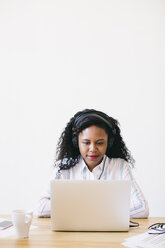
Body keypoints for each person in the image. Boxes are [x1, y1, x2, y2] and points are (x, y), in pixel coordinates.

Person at [36, 109, 149, 218]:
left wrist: (82, 210)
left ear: (109, 143)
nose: (93, 149)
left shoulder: (120, 167)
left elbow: (142, 208)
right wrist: (103, 210)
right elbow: (40, 208)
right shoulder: (64, 167)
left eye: (99, 143)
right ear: (76, 142)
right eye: (86, 143)